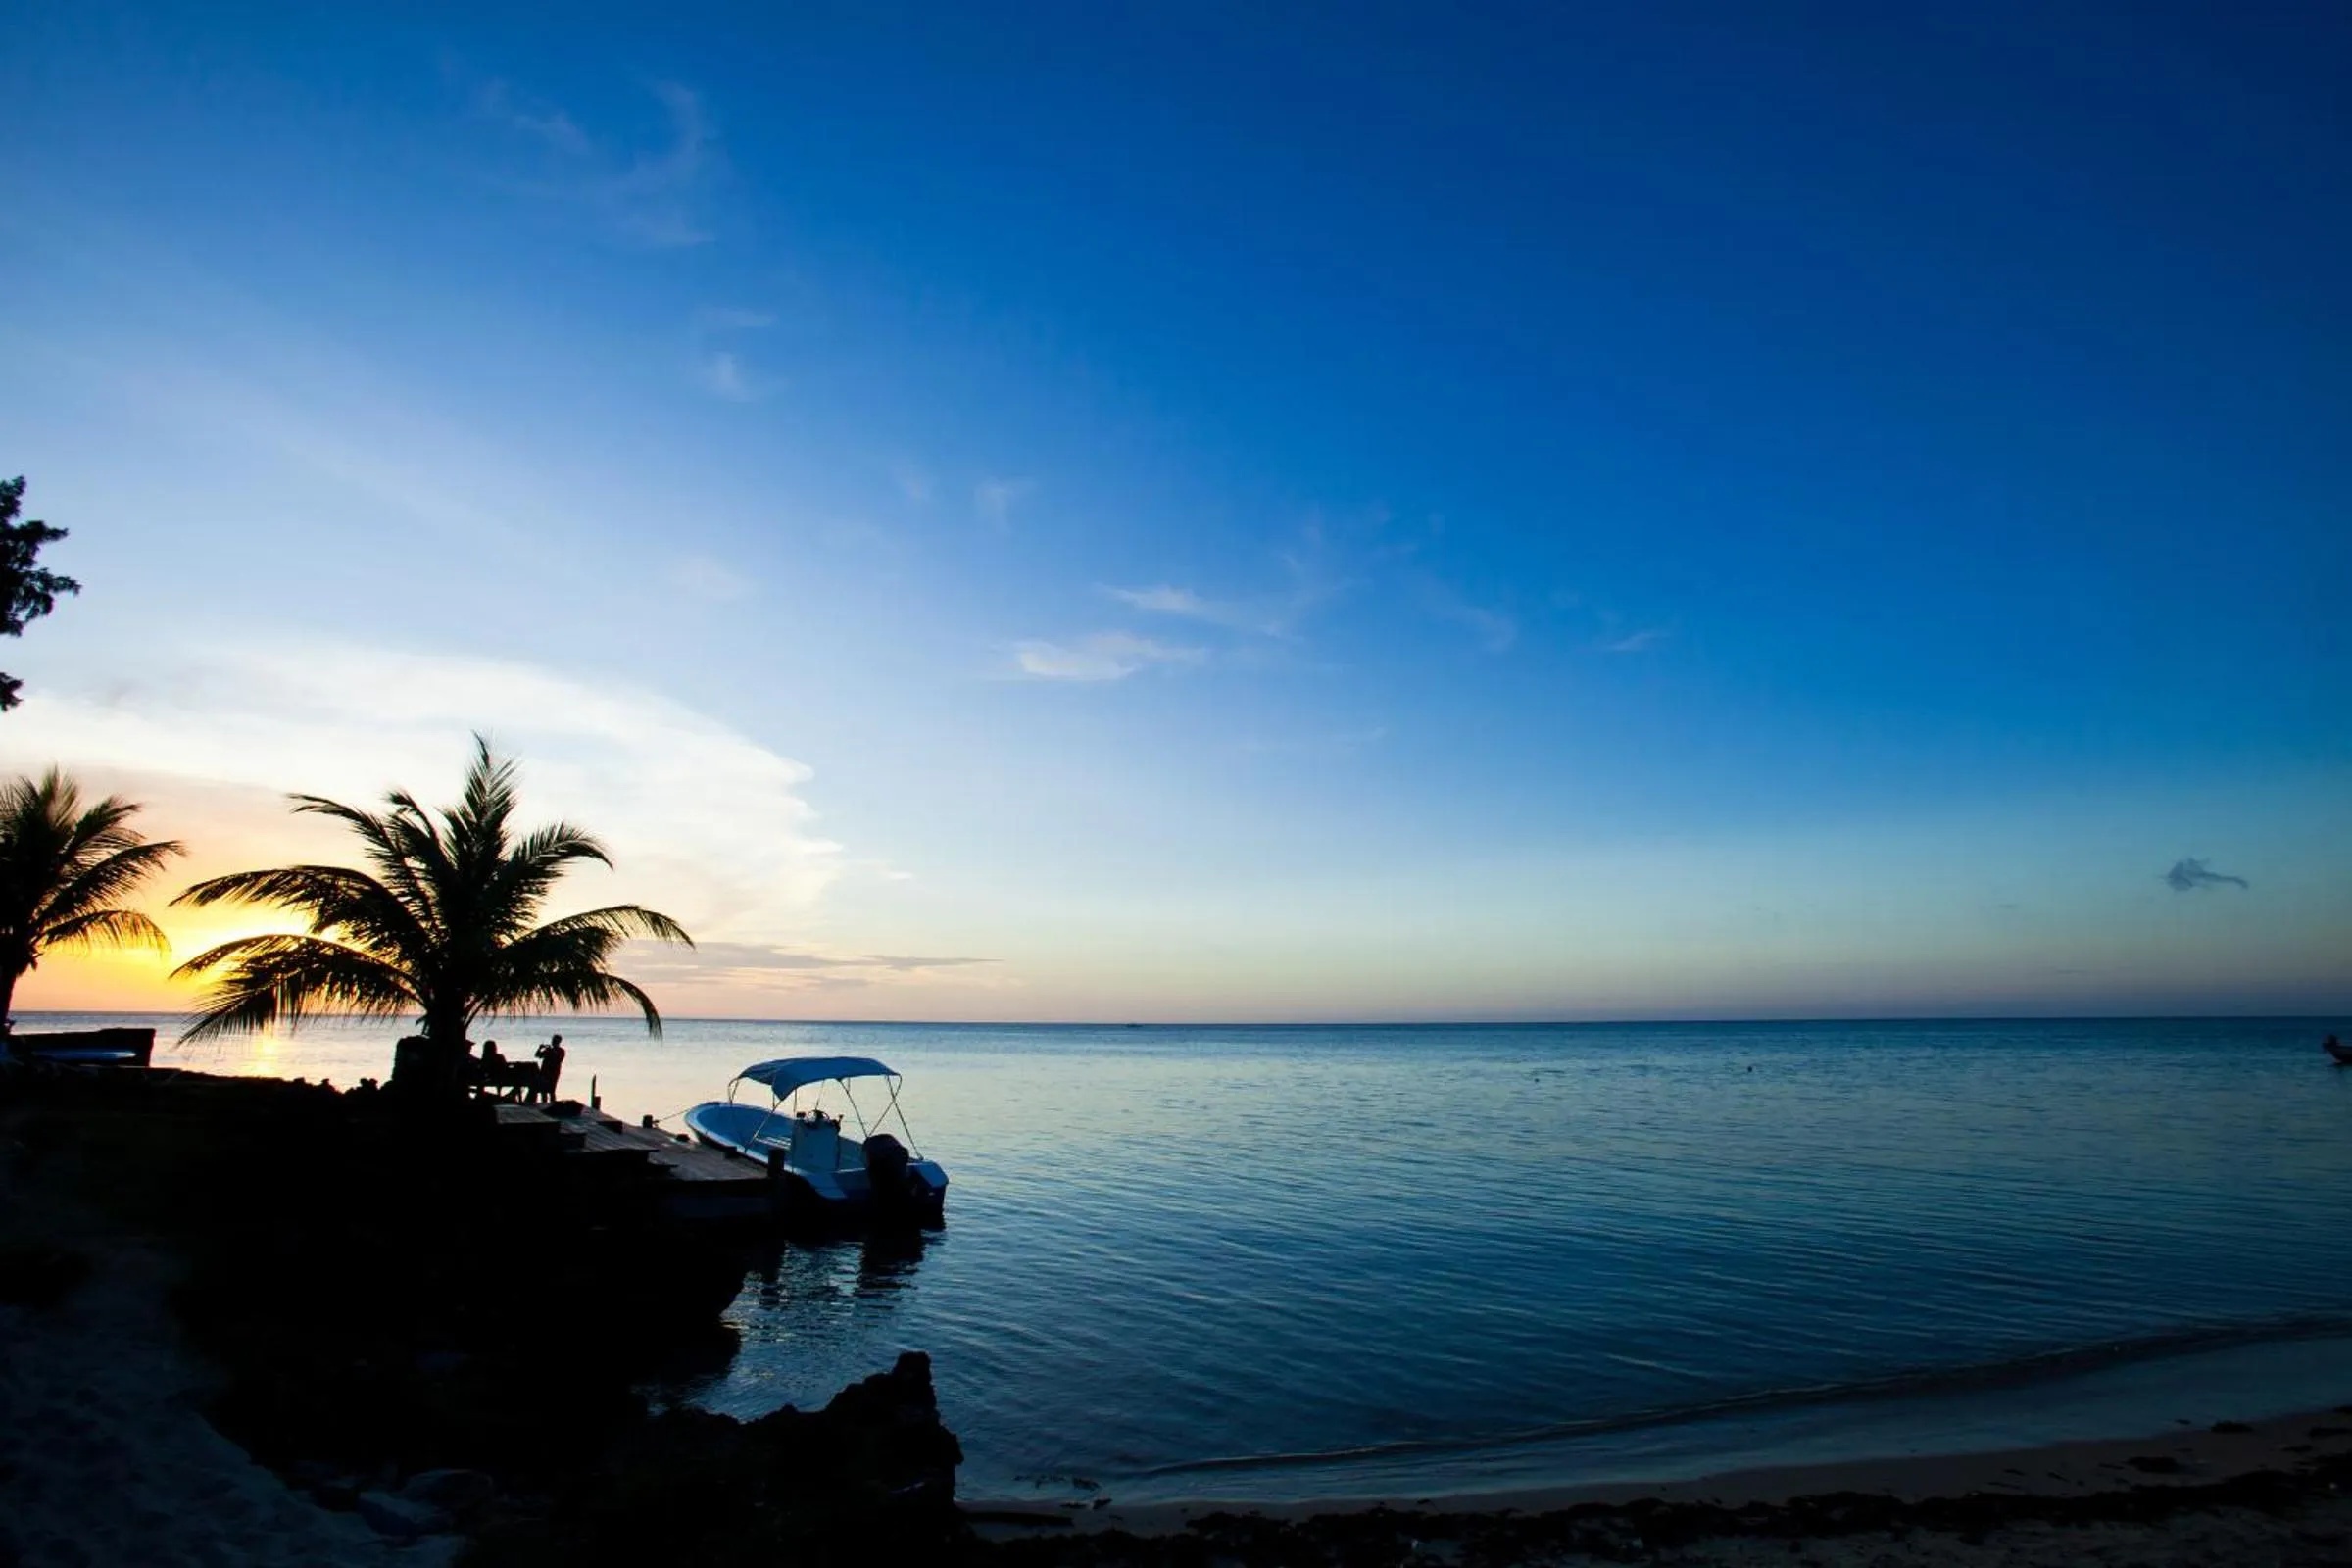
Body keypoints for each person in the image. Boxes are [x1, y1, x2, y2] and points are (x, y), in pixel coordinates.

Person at [531, 1035, 566, 1103]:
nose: (553, 1042)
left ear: (559, 1042)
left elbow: (558, 1059)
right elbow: (537, 1055)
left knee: (552, 1090)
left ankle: (552, 1104)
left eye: (555, 1040)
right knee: (543, 1091)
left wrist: (552, 1050)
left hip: (554, 1073)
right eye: (553, 1040)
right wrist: (539, 1048)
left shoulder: (561, 1050)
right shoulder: (548, 1050)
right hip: (544, 1072)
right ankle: (544, 1104)